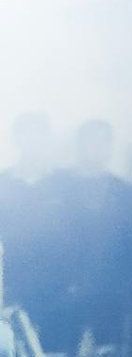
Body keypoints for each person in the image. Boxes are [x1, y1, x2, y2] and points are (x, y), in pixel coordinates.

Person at [39, 120, 132, 353]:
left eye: (103, 142)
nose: (96, 148)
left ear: (110, 147)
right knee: (57, 355)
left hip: (109, 291)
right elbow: (43, 241)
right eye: (90, 141)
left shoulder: (124, 191)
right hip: (62, 290)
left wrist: (127, 287)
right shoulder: (54, 186)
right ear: (79, 145)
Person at [0, 112, 55, 311]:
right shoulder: (3, 182)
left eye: (38, 135)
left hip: (55, 287)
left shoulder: (62, 184)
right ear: (17, 139)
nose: (33, 141)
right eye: (27, 134)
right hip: (12, 284)